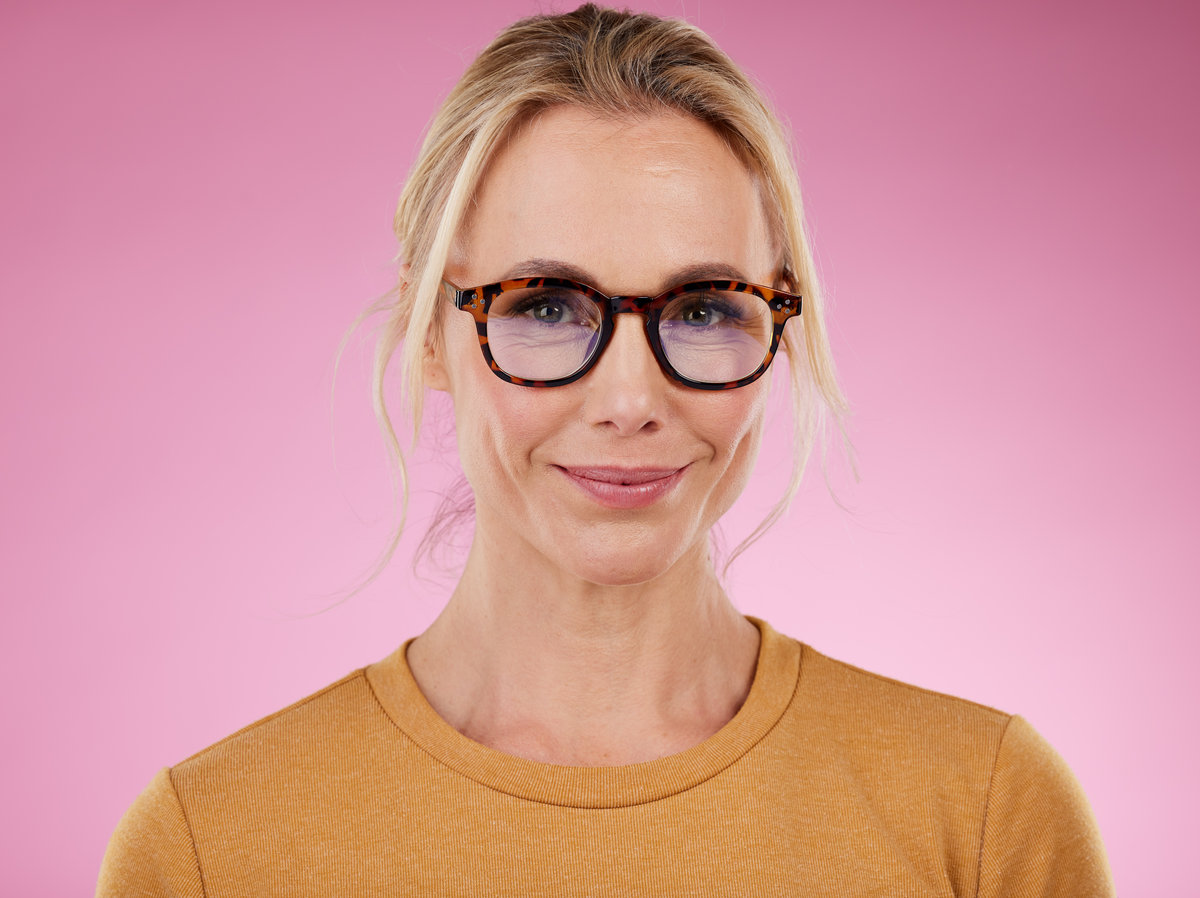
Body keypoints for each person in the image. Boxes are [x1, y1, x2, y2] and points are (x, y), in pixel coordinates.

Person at [97, 5, 1114, 895]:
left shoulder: (986, 815)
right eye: (546, 304)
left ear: (781, 331)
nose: (631, 397)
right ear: (432, 329)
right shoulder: (209, 847)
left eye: (708, 307)